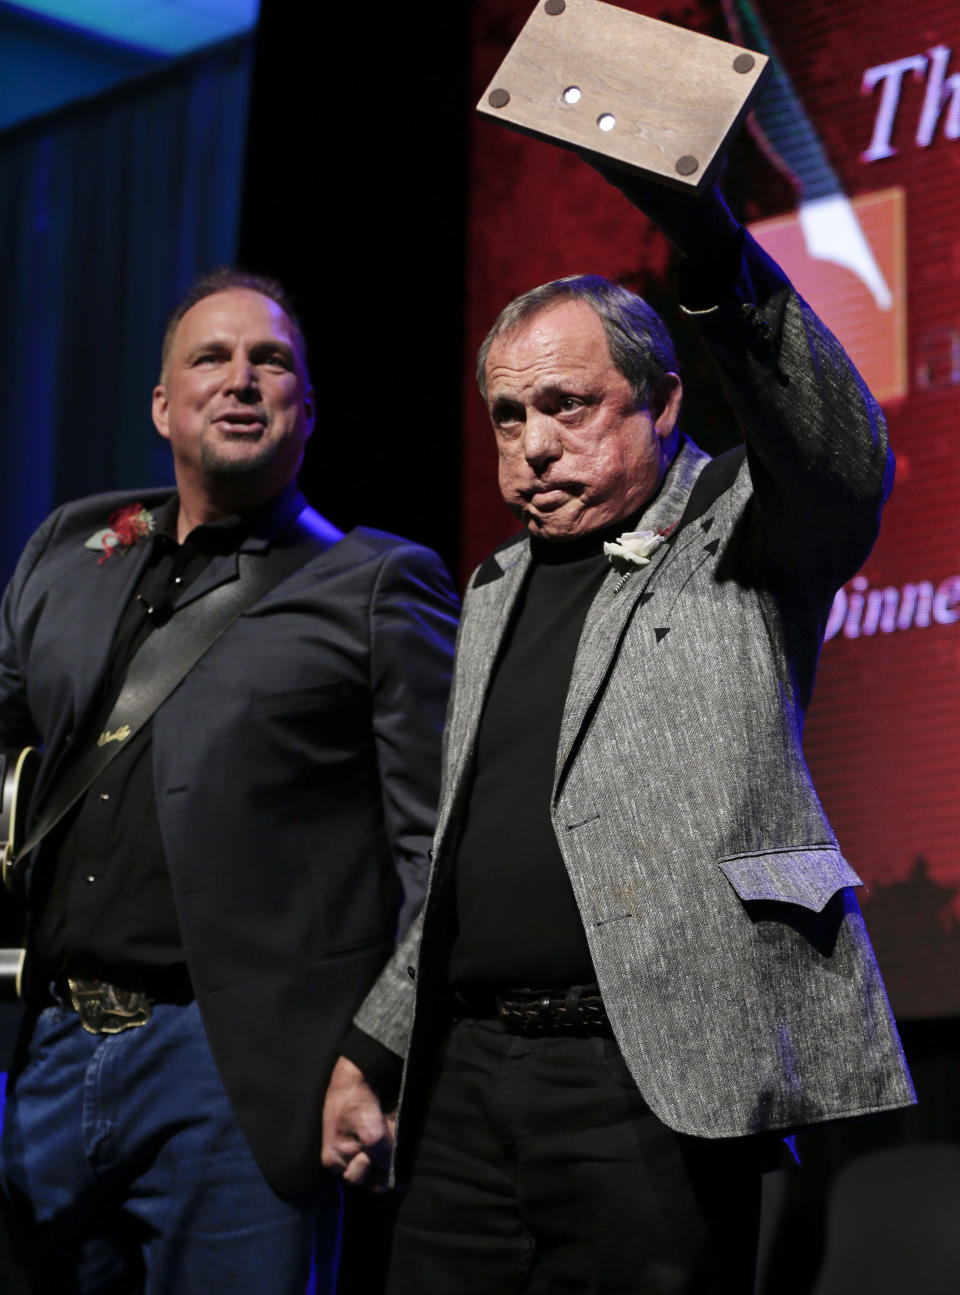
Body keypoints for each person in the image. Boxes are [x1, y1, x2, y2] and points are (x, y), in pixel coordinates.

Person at [321, 171, 915, 1293]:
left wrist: (719, 260)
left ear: (664, 403)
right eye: (509, 414)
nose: (534, 444)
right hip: (467, 1079)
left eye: (569, 405)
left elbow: (844, 452)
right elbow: (457, 848)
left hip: (653, 1073)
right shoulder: (491, 583)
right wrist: (377, 1040)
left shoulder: (748, 525)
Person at [0, 268, 458, 1293]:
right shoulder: (70, 552)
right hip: (47, 1050)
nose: (241, 379)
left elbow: (439, 853)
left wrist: (377, 1055)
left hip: (238, 1070)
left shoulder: (379, 584)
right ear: (165, 403)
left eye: (272, 361)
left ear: (307, 407)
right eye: (211, 357)